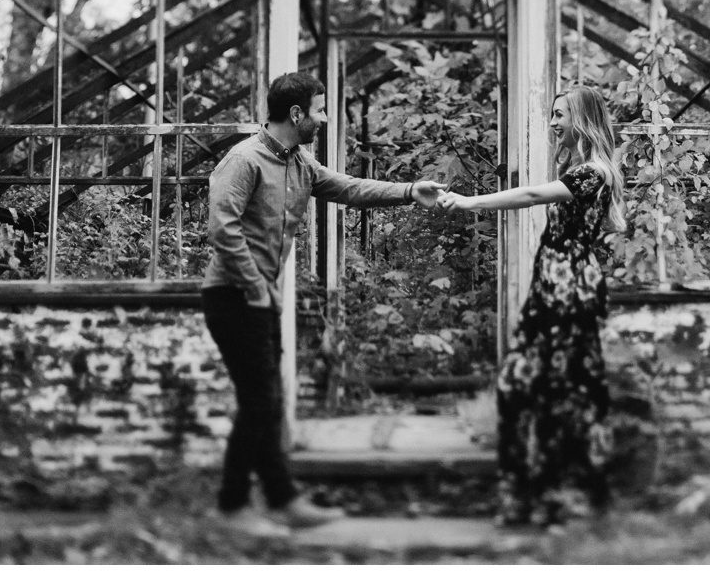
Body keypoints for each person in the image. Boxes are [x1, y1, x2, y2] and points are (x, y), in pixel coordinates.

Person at [201, 69, 445, 537]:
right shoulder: (243, 160)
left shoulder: (299, 163)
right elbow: (222, 229)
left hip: (259, 298)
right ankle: (233, 507)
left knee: (267, 402)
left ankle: (281, 499)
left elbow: (350, 188)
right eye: (322, 109)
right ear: (297, 114)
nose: (327, 117)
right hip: (233, 297)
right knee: (260, 402)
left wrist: (412, 191)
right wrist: (255, 287)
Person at [437, 85, 624, 528]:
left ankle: (556, 496)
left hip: (569, 291)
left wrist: (470, 202)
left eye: (560, 115)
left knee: (553, 393)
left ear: (581, 119)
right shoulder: (580, 168)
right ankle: (536, 494)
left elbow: (530, 197)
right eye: (553, 114)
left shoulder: (594, 172)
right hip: (554, 288)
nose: (553, 122)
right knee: (528, 389)